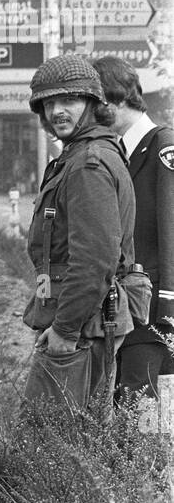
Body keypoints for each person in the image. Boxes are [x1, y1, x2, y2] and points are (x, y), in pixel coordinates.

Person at [22, 54, 136, 414]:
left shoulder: (88, 163)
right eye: (50, 102)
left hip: (83, 326)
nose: (57, 111)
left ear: (92, 104)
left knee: (50, 441)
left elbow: (94, 260)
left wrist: (65, 331)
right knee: (71, 437)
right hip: (79, 321)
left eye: (68, 100)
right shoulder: (79, 155)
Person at [92, 56, 174, 401]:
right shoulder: (121, 150)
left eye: (97, 106)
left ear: (118, 99)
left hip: (153, 303)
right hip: (130, 303)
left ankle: (150, 457)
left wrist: (168, 301)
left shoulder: (162, 146)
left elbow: (170, 231)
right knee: (130, 400)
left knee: (143, 404)